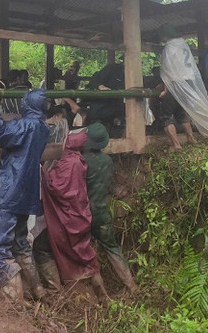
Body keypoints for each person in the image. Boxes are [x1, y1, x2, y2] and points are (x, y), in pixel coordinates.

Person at [0, 89, 50, 302]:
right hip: (27, 193)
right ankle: (38, 290)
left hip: (9, 192)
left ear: (27, 105)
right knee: (21, 243)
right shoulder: (42, 127)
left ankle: (15, 300)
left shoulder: (24, 125)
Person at [41, 130, 109, 302]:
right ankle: (103, 295)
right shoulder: (80, 161)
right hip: (81, 215)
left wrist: (42, 171)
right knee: (86, 255)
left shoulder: (66, 163)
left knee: (53, 249)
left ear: (68, 144)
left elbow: (56, 187)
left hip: (68, 218)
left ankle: (58, 293)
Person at [159, 25, 208, 143]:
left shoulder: (169, 47)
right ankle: (192, 139)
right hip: (190, 82)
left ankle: (176, 145)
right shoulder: (183, 45)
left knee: (165, 116)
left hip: (177, 83)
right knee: (182, 113)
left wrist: (166, 87)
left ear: (165, 35)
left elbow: (168, 68)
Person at [82, 123, 137, 293]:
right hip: (102, 214)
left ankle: (101, 293)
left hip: (84, 215)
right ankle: (131, 285)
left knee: (86, 252)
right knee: (113, 248)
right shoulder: (107, 161)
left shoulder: (82, 160)